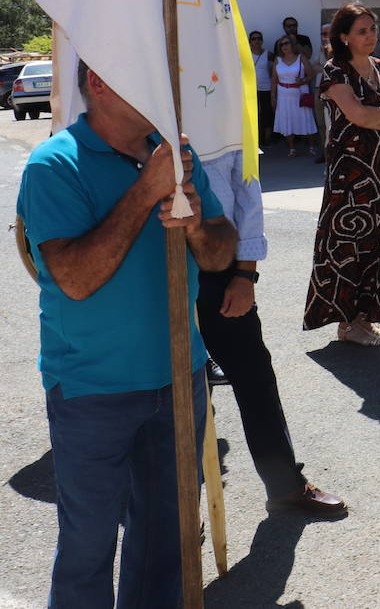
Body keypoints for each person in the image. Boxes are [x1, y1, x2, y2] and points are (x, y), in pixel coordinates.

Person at [16, 61, 236, 606]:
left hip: (179, 376)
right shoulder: (53, 166)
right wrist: (146, 192)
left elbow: (219, 253)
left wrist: (197, 226)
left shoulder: (173, 155)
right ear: (99, 84)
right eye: (148, 81)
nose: (165, 97)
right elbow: (74, 279)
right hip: (92, 390)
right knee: (88, 548)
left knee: (166, 541)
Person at [198, 146, 348, 516]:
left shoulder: (227, 103)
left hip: (221, 262)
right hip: (151, 268)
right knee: (171, 393)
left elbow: (246, 188)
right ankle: (173, 512)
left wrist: (245, 273)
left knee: (254, 376)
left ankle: (284, 486)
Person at [305, 3, 380, 346]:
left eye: (373, 30)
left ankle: (366, 317)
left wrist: (373, 115)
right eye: (361, 31)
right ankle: (347, 324)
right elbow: (356, 115)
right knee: (347, 244)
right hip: (349, 175)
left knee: (377, 243)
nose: (370, 37)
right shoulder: (335, 71)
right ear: (345, 36)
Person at [271, 34, 317, 158]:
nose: (284, 46)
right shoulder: (278, 60)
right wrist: (273, 97)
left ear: (293, 44)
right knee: (287, 120)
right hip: (283, 94)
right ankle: (292, 148)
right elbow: (274, 80)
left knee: (306, 119)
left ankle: (312, 146)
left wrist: (302, 81)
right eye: (281, 44)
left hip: (299, 93)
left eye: (286, 43)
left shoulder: (301, 58)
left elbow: (311, 74)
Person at [313, 22, 331, 163]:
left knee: (331, 124)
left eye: (327, 34)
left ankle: (331, 153)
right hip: (319, 89)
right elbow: (314, 66)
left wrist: (323, 67)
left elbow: (327, 67)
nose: (324, 37)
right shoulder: (322, 50)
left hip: (332, 90)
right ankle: (324, 152)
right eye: (323, 34)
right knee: (321, 123)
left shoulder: (340, 49)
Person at [250, 30, 272, 148]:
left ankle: (267, 138)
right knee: (254, 114)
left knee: (266, 113)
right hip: (251, 89)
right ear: (250, 41)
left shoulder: (267, 54)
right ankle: (256, 139)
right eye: (254, 38)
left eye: (259, 38)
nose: (257, 41)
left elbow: (276, 66)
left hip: (266, 88)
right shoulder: (247, 53)